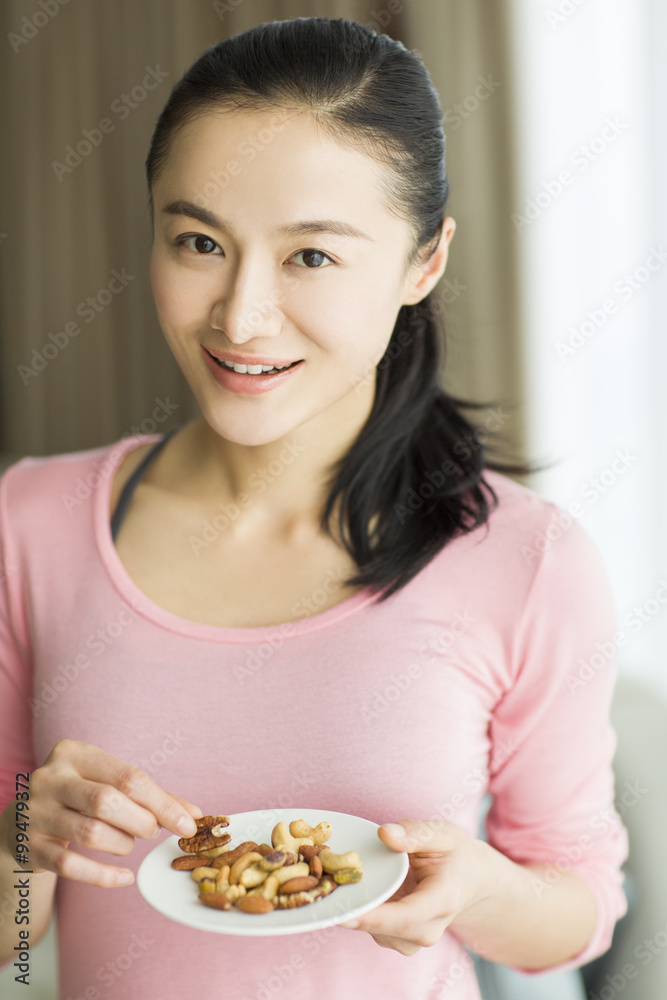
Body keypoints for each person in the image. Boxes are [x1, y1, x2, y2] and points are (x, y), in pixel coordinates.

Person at [0, 17, 629, 1000]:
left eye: (312, 257)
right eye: (199, 241)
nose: (240, 316)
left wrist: (472, 887)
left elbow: (577, 908)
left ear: (424, 263)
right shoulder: (26, 525)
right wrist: (21, 850)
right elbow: (14, 950)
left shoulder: (527, 560)